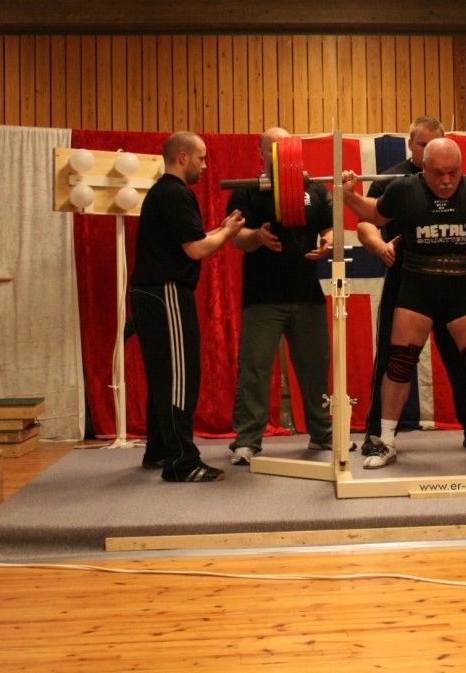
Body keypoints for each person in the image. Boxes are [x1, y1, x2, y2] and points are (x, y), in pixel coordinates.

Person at [341, 137, 466, 468]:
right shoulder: (404, 190)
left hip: (460, 288)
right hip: (416, 289)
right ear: (424, 168)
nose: (447, 180)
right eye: (438, 174)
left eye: (453, 172)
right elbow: (373, 214)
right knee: (399, 365)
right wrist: (348, 194)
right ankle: (385, 441)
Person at [358, 117, 466, 456]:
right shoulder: (390, 179)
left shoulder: (457, 179)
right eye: (422, 144)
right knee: (393, 359)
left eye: (435, 142)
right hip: (406, 279)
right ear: (410, 145)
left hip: (452, 280)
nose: (430, 149)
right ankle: (378, 434)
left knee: (465, 357)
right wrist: (379, 246)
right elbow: (366, 222)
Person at [130, 130, 244, 483]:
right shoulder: (176, 193)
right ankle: (182, 462)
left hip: (152, 293)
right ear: (183, 157)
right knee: (180, 377)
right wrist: (227, 233)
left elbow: (190, 240)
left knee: (163, 375)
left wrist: (219, 229)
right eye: (201, 158)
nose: (205, 166)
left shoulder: (162, 193)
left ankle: (160, 450)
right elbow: (196, 249)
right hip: (166, 293)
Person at [227, 127, 335, 465]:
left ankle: (323, 434)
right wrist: (257, 237)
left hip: (307, 294)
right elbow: (236, 237)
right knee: (255, 370)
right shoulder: (247, 191)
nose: (280, 153)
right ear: (263, 153)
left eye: (285, 147)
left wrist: (328, 242)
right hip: (263, 296)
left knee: (315, 369)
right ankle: (247, 441)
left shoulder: (315, 190)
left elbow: (330, 227)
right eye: (273, 148)